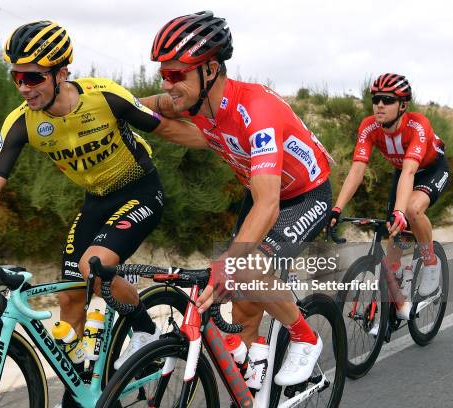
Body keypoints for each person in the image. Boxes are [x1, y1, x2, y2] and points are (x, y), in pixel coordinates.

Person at [0, 19, 201, 389]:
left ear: (61, 72)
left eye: (33, 78)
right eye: (16, 78)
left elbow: (168, 129)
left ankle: (146, 334)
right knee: (69, 300)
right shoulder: (22, 123)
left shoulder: (104, 96)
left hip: (140, 192)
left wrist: (232, 149)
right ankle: (80, 389)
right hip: (95, 202)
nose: (23, 88)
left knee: (92, 267)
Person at [141, 11, 334, 389]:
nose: (168, 84)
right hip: (261, 191)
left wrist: (230, 263)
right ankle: (254, 365)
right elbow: (145, 107)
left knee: (242, 269)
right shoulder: (197, 105)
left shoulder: (256, 109)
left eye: (177, 74)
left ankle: (305, 336)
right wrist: (109, 104)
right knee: (243, 304)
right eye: (164, 75)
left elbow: (268, 204)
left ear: (210, 69)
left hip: (303, 195)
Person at [329, 73, 448, 320]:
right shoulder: (369, 126)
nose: (379, 105)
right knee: (395, 237)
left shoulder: (418, 125)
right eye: (376, 99)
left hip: (429, 170)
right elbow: (357, 170)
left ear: (403, 105)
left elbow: (410, 171)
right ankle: (395, 306)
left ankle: (430, 262)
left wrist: (401, 211)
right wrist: (337, 208)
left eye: (387, 99)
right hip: (402, 172)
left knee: (412, 211)